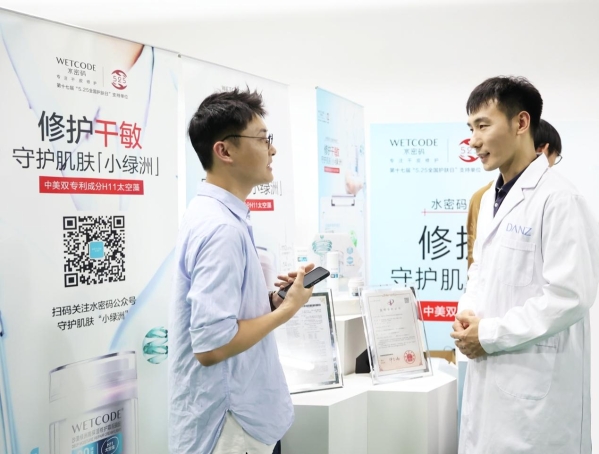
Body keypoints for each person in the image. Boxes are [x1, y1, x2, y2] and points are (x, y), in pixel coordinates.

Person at [451, 76, 599, 453]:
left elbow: (570, 296)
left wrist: (490, 334)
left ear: (521, 123)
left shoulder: (559, 199)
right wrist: (468, 313)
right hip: (492, 383)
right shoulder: (490, 198)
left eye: (483, 125)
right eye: (470, 128)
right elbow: (480, 270)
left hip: (537, 400)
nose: (474, 141)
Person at [169, 88, 315, 454]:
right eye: (263, 139)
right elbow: (211, 345)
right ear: (224, 151)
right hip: (230, 426)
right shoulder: (221, 227)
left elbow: (223, 316)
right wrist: (287, 310)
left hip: (240, 417)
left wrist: (272, 300)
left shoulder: (220, 215)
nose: (272, 150)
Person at [466, 118, 562, 268]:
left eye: (483, 126)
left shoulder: (560, 196)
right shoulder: (485, 197)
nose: (474, 143)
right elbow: (476, 260)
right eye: (554, 158)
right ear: (544, 149)